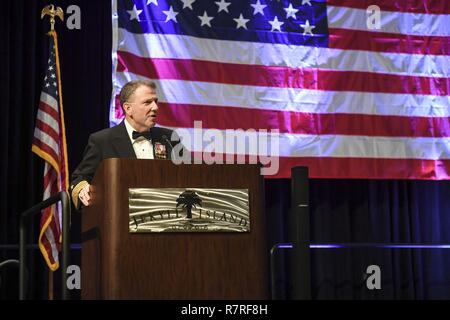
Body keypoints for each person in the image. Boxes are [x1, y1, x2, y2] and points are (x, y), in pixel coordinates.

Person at [70, 80, 181, 209]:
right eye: (147, 102)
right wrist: (83, 188)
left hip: (166, 216)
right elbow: (80, 177)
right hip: (119, 216)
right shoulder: (103, 141)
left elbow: (191, 173)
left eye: (156, 101)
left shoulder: (168, 138)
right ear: (128, 108)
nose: (155, 107)